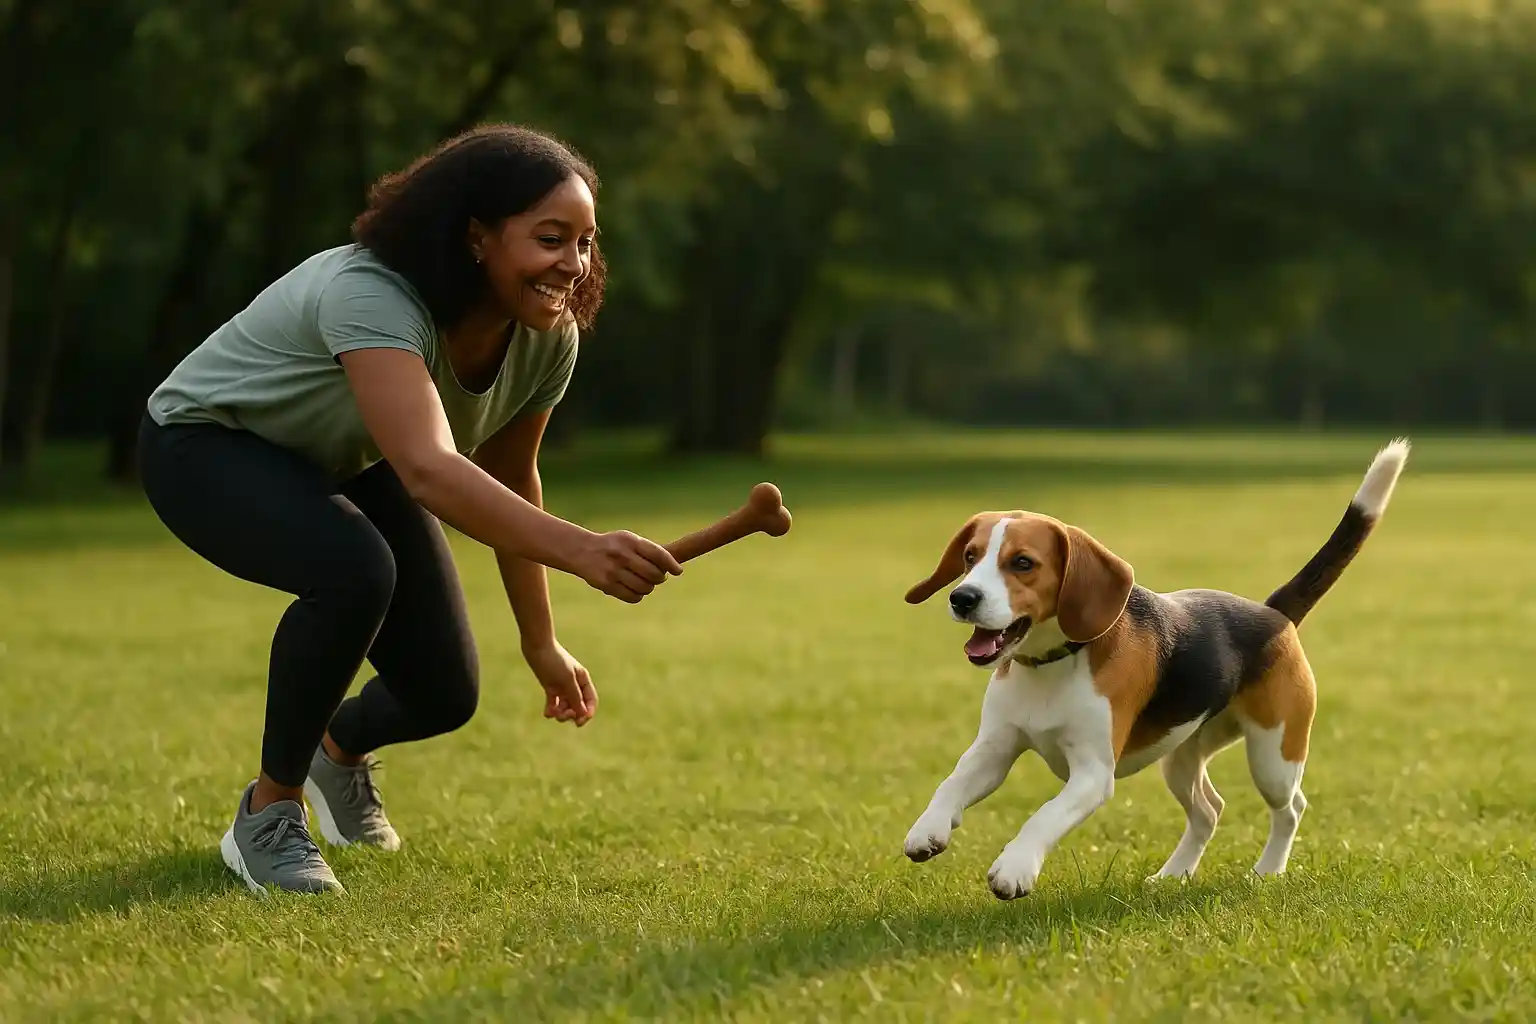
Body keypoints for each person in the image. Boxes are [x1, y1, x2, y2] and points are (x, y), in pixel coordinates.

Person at [137, 123, 684, 896]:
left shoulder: (546, 336)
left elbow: (510, 476)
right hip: (201, 444)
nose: (574, 264)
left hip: (345, 456)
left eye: (587, 243)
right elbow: (429, 469)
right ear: (476, 237)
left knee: (443, 691)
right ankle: (267, 815)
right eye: (551, 238)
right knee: (354, 568)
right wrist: (585, 550)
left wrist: (542, 641)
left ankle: (339, 754)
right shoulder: (369, 292)